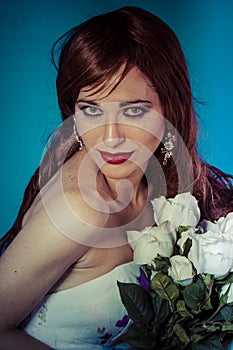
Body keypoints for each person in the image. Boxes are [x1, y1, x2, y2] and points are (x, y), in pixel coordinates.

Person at [0, 6, 233, 350]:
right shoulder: (78, 210)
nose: (110, 137)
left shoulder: (160, 185)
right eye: (91, 109)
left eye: (134, 110)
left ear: (170, 108)